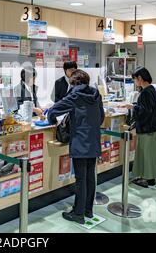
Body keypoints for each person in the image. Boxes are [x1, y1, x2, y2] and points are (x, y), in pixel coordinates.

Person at [47, 69, 104, 224]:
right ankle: (88, 210)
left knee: (80, 179)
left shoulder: (74, 95)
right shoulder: (95, 94)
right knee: (90, 177)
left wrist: (51, 119)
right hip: (93, 140)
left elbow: (54, 110)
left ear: (74, 82)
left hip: (80, 141)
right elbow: (101, 117)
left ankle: (78, 214)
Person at [124, 67, 156, 188]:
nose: (135, 82)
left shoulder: (146, 92)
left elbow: (145, 111)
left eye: (135, 79)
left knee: (146, 154)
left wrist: (133, 107)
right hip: (154, 128)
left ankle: (147, 179)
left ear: (140, 79)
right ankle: (151, 178)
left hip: (147, 129)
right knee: (151, 154)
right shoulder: (152, 90)